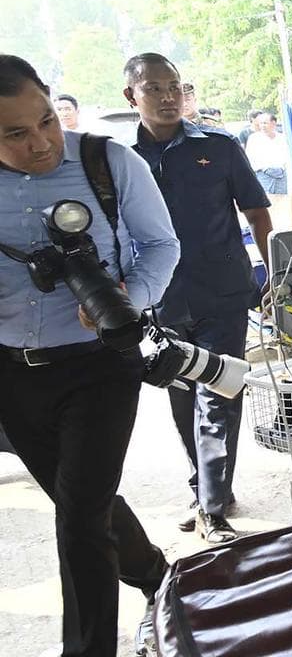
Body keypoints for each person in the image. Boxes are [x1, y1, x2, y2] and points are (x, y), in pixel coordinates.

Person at [0, 54, 179, 656]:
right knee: (83, 501)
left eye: (46, 120)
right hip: (12, 373)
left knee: (78, 519)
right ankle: (157, 574)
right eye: (16, 134)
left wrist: (132, 295)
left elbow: (160, 244)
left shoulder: (108, 162)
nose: (41, 143)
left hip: (99, 364)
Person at [123, 52, 274, 544]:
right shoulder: (121, 161)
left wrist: (272, 273)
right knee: (181, 397)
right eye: (155, 89)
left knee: (220, 393)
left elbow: (257, 214)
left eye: (175, 87)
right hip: (160, 302)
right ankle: (208, 487)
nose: (168, 97)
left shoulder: (220, 146)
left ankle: (211, 508)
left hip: (223, 293)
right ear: (132, 96)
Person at [244, 110, 290, 195]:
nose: (263, 126)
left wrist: (282, 169)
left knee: (282, 201)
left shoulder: (282, 138)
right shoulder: (254, 138)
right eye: (261, 123)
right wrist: (264, 169)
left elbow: (287, 155)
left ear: (273, 123)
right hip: (263, 174)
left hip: (281, 175)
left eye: (265, 123)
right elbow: (249, 158)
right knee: (266, 201)